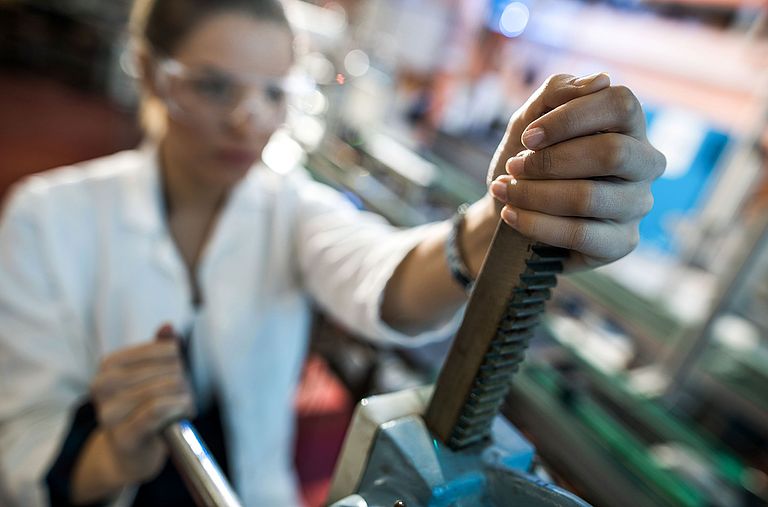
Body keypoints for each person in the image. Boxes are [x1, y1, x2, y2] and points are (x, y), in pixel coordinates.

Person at [0, 0, 665, 505]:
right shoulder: (48, 217)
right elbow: (21, 448)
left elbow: (385, 282)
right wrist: (114, 455)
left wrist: (502, 214)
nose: (248, 119)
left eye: (271, 93)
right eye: (213, 86)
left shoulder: (289, 207)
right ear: (149, 73)